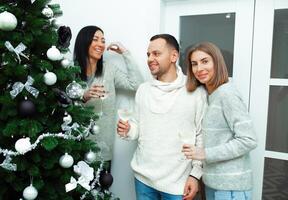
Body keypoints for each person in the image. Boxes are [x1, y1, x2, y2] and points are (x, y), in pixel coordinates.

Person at [117, 34, 207, 200]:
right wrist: (129, 129)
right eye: (148, 54)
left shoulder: (195, 91)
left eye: (156, 54)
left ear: (174, 56)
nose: (150, 58)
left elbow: (201, 136)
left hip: (178, 182)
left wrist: (195, 175)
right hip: (143, 178)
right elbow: (138, 127)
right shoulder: (143, 90)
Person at [182, 42, 257, 200]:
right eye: (194, 64)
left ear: (217, 62)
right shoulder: (210, 95)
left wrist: (204, 153)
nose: (199, 69)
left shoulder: (226, 94)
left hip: (231, 189)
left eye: (205, 61)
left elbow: (249, 140)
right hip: (214, 184)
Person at [74, 25, 143, 172]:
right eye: (95, 39)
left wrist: (125, 53)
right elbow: (61, 104)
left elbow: (137, 84)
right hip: (73, 147)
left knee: (101, 193)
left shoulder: (109, 69)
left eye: (103, 40)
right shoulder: (69, 71)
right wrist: (83, 96)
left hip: (102, 150)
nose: (101, 44)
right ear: (84, 42)